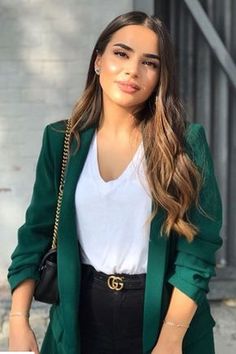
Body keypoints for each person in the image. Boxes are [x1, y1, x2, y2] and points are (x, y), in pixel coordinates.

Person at [7, 10, 222, 354]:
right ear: (97, 61)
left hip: (162, 321)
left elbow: (198, 250)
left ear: (159, 76)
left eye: (149, 63)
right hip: (79, 320)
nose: (132, 70)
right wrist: (18, 318)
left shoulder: (185, 144)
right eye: (121, 53)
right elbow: (35, 234)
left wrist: (170, 339)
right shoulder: (63, 141)